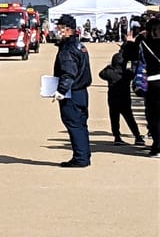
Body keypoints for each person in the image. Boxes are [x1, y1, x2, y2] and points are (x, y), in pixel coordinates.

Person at [50, 14, 92, 168]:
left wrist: (61, 90)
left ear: (67, 30)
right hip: (81, 91)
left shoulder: (68, 48)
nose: (56, 31)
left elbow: (69, 72)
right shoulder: (80, 45)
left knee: (74, 124)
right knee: (81, 124)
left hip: (72, 92)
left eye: (59, 28)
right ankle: (84, 155)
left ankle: (80, 158)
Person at [99, 50, 145, 146]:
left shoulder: (110, 72)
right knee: (130, 118)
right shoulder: (126, 73)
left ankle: (117, 137)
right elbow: (134, 74)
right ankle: (138, 137)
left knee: (114, 119)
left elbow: (101, 74)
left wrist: (109, 67)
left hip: (113, 99)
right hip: (125, 99)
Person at [137, 14, 160, 158]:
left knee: (154, 117)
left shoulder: (144, 44)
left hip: (153, 83)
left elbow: (139, 62)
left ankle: (157, 145)